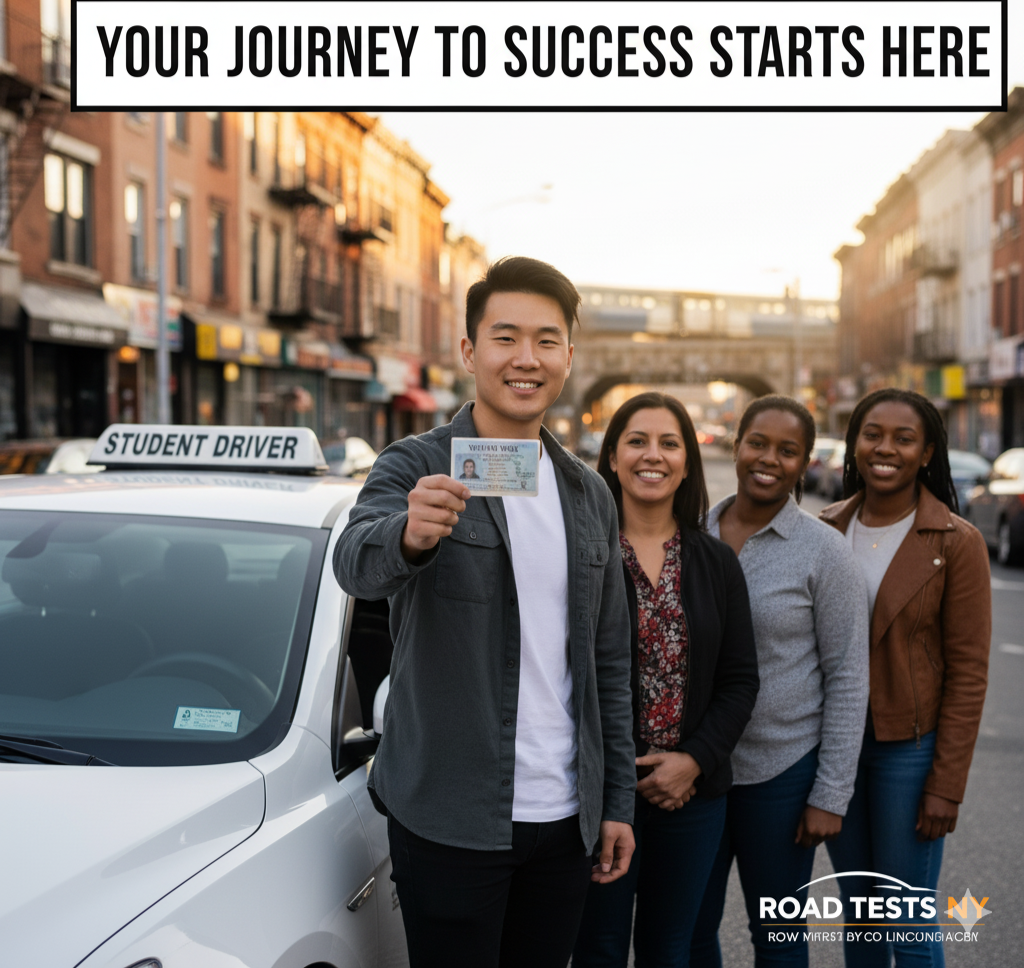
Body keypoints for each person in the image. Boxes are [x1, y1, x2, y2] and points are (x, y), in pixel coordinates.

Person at [333, 256, 636, 968]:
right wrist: (406, 535)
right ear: (470, 351)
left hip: (565, 820)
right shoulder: (413, 464)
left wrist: (615, 800)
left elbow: (611, 663)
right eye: (505, 338)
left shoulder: (588, 493)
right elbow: (354, 566)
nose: (525, 358)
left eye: (546, 340)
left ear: (568, 355)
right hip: (448, 816)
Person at [573, 392, 759, 968]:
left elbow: (740, 680)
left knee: (669, 950)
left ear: (686, 462)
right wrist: (612, 780)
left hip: (691, 797)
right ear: (610, 457)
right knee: (597, 949)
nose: (652, 455)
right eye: (636, 440)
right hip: (600, 792)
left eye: (668, 443)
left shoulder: (715, 560)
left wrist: (695, 761)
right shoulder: (582, 557)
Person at [690, 395, 870, 968]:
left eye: (788, 451)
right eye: (758, 443)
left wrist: (830, 794)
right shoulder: (691, 533)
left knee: (780, 938)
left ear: (805, 463)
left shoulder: (825, 552)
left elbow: (847, 676)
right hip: (693, 770)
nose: (769, 459)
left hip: (782, 774)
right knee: (691, 929)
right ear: (736, 445)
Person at [819, 388, 991, 968]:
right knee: (860, 913)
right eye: (872, 434)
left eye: (903, 438)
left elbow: (969, 673)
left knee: (907, 918)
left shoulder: (957, 542)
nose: (884, 448)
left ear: (927, 453)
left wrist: (947, 784)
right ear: (854, 444)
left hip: (908, 752)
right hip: (836, 748)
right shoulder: (825, 529)